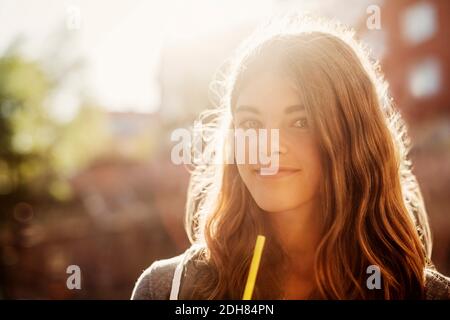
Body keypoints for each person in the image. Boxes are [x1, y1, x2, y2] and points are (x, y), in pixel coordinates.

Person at [132, 15, 450, 300]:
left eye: (300, 122)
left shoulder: (425, 294)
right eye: (251, 123)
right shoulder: (166, 290)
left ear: (352, 136)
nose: (268, 146)